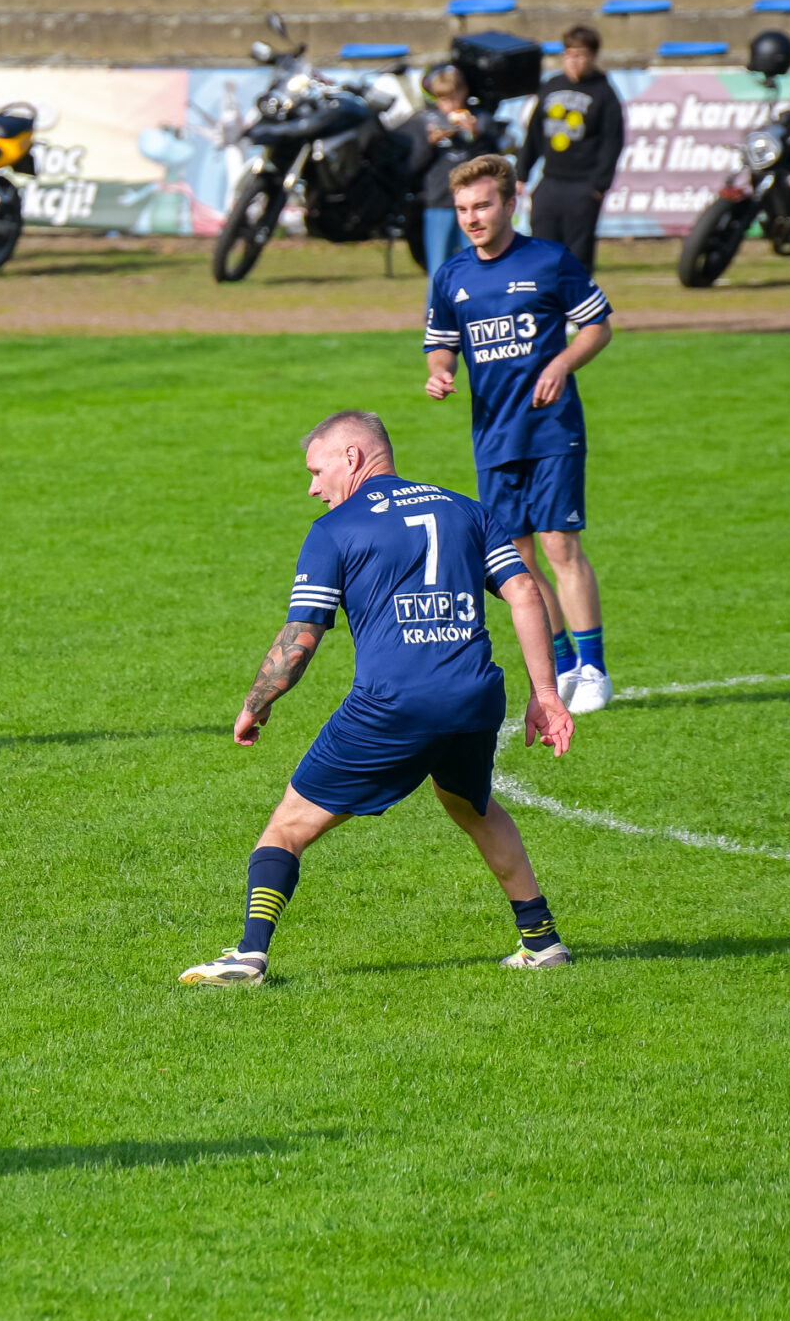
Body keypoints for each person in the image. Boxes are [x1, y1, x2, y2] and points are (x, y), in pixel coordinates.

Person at [179, 410, 577, 987]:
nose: (312, 487)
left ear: (352, 457)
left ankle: (248, 955)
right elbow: (525, 594)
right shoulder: (466, 509)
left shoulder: (335, 530)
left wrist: (257, 702)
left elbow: (301, 637)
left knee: (287, 828)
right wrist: (546, 695)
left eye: (316, 471)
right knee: (472, 807)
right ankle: (542, 942)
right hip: (474, 699)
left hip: (393, 706)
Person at [425, 154, 616, 712]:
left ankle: (595, 668)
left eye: (482, 205)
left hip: (551, 430)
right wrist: (440, 372)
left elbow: (597, 327)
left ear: (511, 204)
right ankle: (563, 663)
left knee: (559, 544)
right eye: (463, 208)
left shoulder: (549, 260)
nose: (472, 218)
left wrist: (561, 364)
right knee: (516, 556)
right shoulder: (452, 276)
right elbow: (441, 343)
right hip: (492, 436)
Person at [516, 24, 625, 273]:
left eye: (580, 55)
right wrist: (522, 174)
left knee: (577, 256)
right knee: (542, 251)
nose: (574, 61)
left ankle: (578, 299)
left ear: (593, 57)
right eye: (569, 54)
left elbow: (612, 142)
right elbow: (534, 134)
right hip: (550, 181)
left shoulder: (604, 93)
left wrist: (598, 186)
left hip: (583, 186)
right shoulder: (551, 86)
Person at [401, 63, 496, 298]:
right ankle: (436, 315)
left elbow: (493, 162)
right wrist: (430, 144)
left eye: (454, 97)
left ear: (464, 92)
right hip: (440, 202)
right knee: (439, 268)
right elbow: (412, 166)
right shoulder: (425, 121)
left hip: (474, 205)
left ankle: (476, 312)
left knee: (476, 263)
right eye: (443, 99)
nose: (450, 105)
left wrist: (476, 137)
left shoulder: (480, 119)